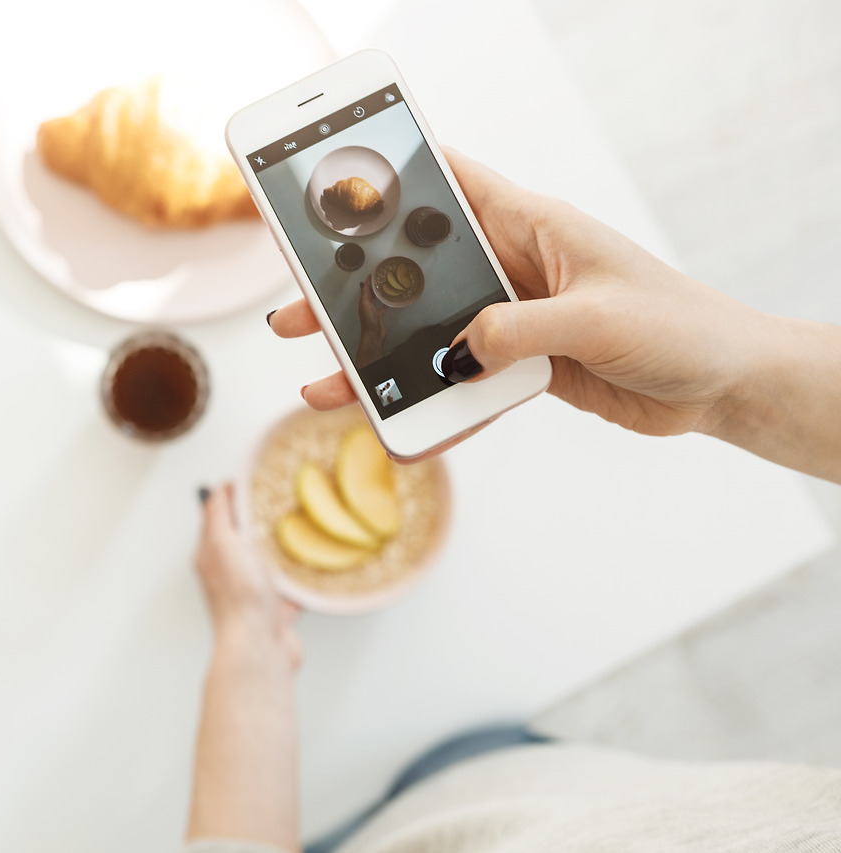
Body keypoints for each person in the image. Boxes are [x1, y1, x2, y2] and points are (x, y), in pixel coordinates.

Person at [184, 150, 841, 853]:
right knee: (485, 761)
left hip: (433, 812)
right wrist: (730, 378)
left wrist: (250, 644)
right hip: (545, 785)